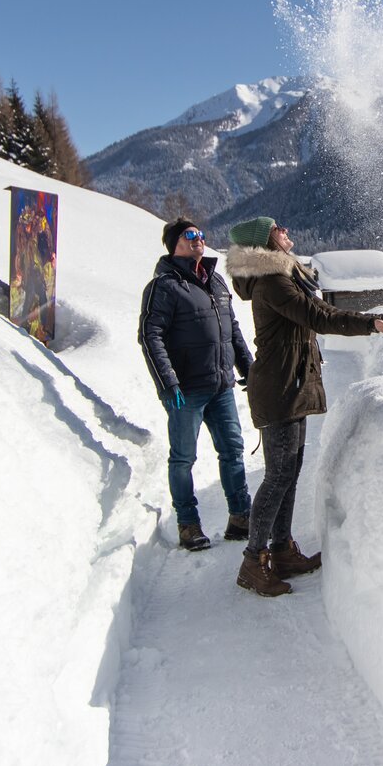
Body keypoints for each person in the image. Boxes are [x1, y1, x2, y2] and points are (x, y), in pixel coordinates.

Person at [225, 216, 383, 596]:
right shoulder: (274, 282)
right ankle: (253, 561)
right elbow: (319, 317)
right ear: (265, 241)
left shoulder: (286, 275)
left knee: (288, 473)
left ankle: (282, 549)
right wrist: (372, 323)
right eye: (278, 228)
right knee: (277, 476)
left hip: (292, 383)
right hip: (279, 389)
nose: (286, 230)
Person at [139, 218, 254, 552]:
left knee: (232, 449)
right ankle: (188, 524)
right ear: (175, 243)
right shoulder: (164, 286)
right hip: (185, 390)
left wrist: (249, 368)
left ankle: (240, 516)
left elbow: (231, 331)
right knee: (183, 458)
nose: (198, 239)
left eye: (201, 235)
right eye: (190, 235)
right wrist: (167, 382)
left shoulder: (216, 282)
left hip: (221, 385)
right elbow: (151, 336)